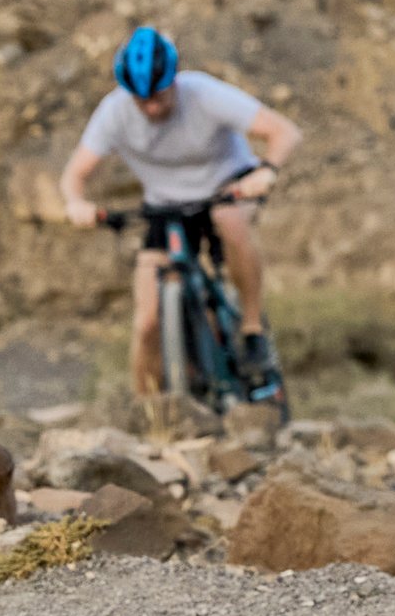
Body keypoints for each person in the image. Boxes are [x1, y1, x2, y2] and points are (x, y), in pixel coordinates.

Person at [59, 24, 300, 400]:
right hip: (165, 207)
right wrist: (76, 203)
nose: (152, 107)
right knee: (147, 320)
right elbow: (75, 174)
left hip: (227, 186)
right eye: (142, 101)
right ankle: (150, 414)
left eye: (158, 95)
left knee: (230, 220)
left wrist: (267, 170)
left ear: (173, 80)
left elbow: (284, 132)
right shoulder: (114, 111)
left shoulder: (204, 93)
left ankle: (252, 328)